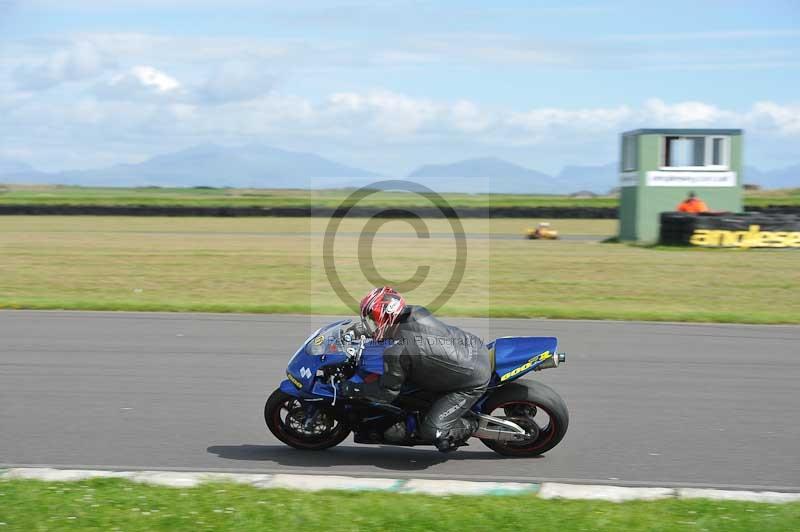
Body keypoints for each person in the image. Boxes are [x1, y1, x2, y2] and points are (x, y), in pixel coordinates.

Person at [340, 287, 492, 452]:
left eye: (373, 319)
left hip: (472, 379)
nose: (371, 324)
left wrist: (353, 388)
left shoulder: (396, 353)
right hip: (472, 348)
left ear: (386, 317)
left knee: (433, 431)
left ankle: (472, 424)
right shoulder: (415, 312)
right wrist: (362, 331)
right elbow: (392, 332)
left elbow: (386, 394)